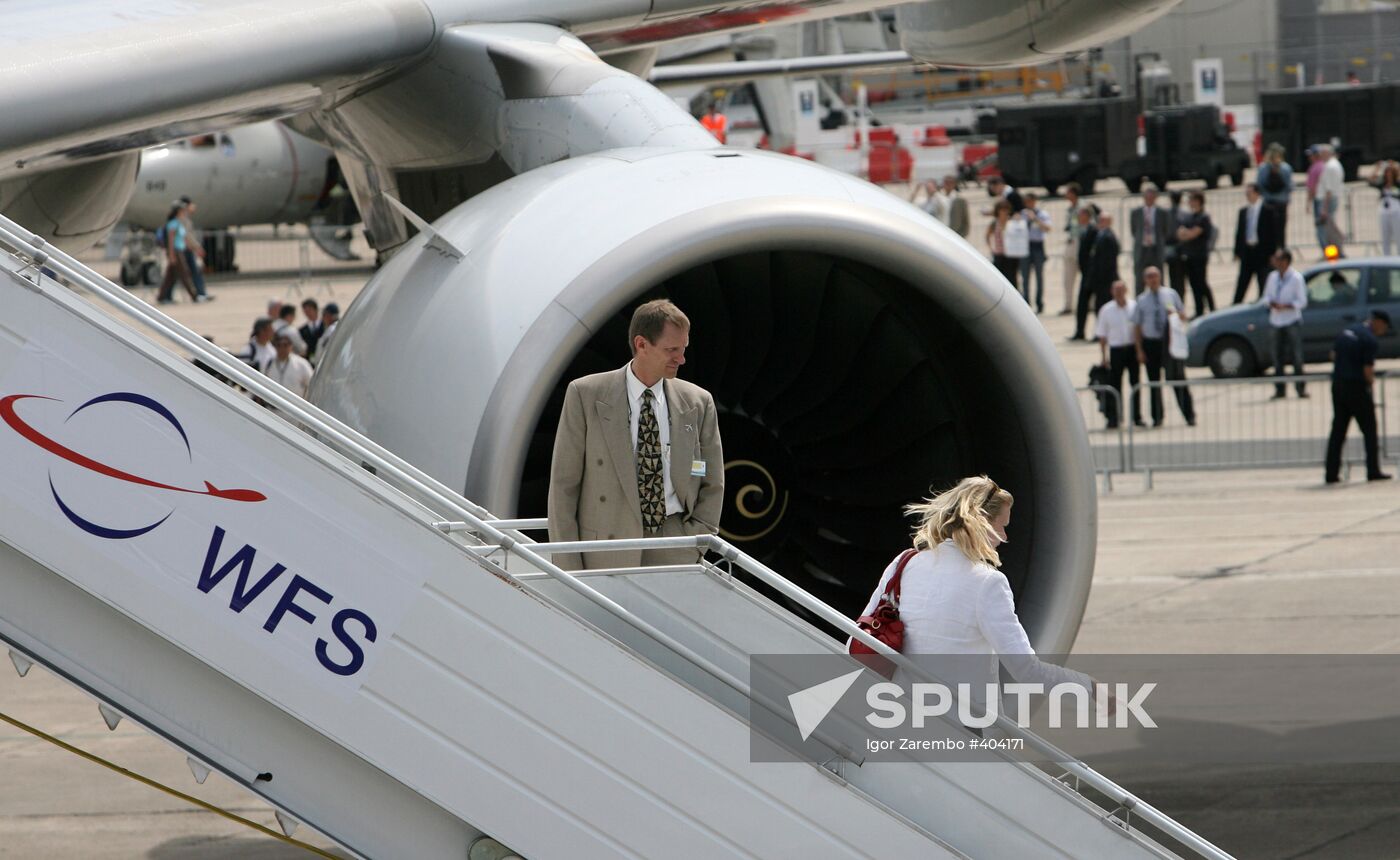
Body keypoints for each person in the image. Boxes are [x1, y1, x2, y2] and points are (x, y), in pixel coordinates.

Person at [855, 476, 1099, 722]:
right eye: (1002, 526)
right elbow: (1026, 670)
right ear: (981, 524)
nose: (1004, 537)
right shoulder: (988, 583)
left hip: (896, 714)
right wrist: (1088, 688)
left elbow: (860, 635)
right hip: (961, 726)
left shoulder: (904, 562)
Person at [548, 299, 724, 571]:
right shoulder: (585, 394)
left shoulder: (699, 402)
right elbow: (563, 487)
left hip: (675, 551)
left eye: (683, 348)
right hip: (605, 553)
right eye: (671, 350)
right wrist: (567, 566)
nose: (682, 359)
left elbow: (712, 482)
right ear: (642, 345)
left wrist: (695, 542)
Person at [1325, 310, 1393, 483]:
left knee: (1338, 430)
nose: (1383, 331)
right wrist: (1370, 384)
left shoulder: (1347, 331)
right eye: (1384, 327)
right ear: (1377, 322)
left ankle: (1331, 473)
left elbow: (1333, 355)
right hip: (1356, 387)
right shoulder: (1369, 340)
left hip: (1338, 385)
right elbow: (1367, 370)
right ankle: (1373, 470)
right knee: (1370, 430)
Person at [1132, 266, 1195, 427]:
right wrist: (1139, 349)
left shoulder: (1170, 294)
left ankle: (1189, 415)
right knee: (1154, 382)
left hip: (1170, 341)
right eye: (1149, 277)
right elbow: (1137, 326)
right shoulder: (1141, 300)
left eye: (1155, 276)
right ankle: (1157, 417)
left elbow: (1183, 316)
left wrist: (1174, 314)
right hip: (1151, 343)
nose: (1153, 280)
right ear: (1145, 280)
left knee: (1177, 378)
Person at [1262, 249, 1308, 399]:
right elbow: (1266, 297)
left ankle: (1300, 388)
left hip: (1291, 320)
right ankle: (1280, 389)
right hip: (1276, 321)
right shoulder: (1273, 277)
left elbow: (1302, 301)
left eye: (1278, 259)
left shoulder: (1296, 278)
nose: (1275, 262)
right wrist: (1272, 304)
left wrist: (1286, 306)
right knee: (1276, 357)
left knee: (1297, 356)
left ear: (1286, 261)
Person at [1097, 280, 1143, 428]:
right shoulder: (1106, 310)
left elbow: (1139, 330)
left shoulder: (1134, 306)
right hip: (1116, 350)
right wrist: (1104, 357)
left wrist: (1139, 350)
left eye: (1121, 289)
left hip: (1132, 349)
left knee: (1135, 384)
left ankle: (1137, 417)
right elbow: (1102, 336)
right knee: (1115, 386)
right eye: (1116, 290)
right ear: (1112, 292)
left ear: (1126, 290)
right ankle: (1114, 417)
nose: (1119, 293)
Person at [1233, 183, 1280, 303]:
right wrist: (1237, 251)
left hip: (1262, 252)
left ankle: (1263, 303)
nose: (1248, 196)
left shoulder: (1268, 210)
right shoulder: (1243, 211)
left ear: (1257, 193)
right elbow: (1239, 233)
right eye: (1246, 194)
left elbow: (1274, 233)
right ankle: (1236, 304)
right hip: (1248, 251)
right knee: (1242, 281)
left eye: (1250, 193)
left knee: (1263, 281)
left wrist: (1273, 253)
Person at [1175, 191, 1215, 316]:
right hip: (1189, 255)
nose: (1190, 202)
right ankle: (1199, 310)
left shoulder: (1203, 217)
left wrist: (1188, 233)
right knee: (1193, 284)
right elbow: (1180, 234)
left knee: (1201, 283)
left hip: (1200, 255)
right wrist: (1188, 233)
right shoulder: (1189, 217)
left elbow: (1194, 233)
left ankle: (1212, 307)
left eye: (1192, 200)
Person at [1060, 182, 1095, 316]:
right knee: (1068, 277)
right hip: (1071, 243)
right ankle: (1068, 304)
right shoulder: (1070, 209)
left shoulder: (1084, 207)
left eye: (1068, 192)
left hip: (1082, 243)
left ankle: (1090, 304)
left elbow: (1090, 226)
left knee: (1086, 275)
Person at [155, 201, 199, 304]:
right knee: (184, 274)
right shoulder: (173, 224)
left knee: (170, 277)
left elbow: (183, 238)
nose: (184, 212)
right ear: (178, 212)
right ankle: (194, 296)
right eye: (182, 210)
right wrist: (171, 255)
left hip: (179, 250)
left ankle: (162, 297)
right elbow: (171, 240)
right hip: (176, 252)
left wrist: (192, 248)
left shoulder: (179, 223)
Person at [1130, 183, 1168, 294]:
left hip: (1156, 249)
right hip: (1142, 249)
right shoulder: (1136, 212)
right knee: (1139, 281)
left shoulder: (1162, 212)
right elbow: (1134, 230)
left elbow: (1165, 230)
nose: (1149, 199)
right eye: (1147, 196)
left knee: (1158, 279)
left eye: (1152, 196)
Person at [1069, 207, 1100, 341]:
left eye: (1081, 215)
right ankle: (1080, 331)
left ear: (1087, 216)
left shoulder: (1094, 231)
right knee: (1082, 304)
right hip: (1085, 274)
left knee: (1097, 305)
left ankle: (1098, 333)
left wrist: (1091, 272)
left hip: (1092, 274)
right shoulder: (1083, 231)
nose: (1079, 219)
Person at [1017, 193, 1051, 313]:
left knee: (1039, 276)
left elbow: (1047, 228)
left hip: (1037, 246)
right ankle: (1026, 301)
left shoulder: (1042, 214)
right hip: (1025, 246)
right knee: (1025, 276)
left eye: (1029, 201)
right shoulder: (1022, 214)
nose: (1027, 204)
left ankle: (1039, 302)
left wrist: (1035, 219)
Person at [1256, 143, 1294, 241]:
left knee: (1268, 231)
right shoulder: (1286, 168)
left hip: (1268, 202)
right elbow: (1290, 187)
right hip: (1282, 203)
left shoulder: (1262, 168)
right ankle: (1280, 250)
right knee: (1281, 231)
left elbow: (1259, 185)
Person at [178, 195, 212, 302]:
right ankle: (200, 293)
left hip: (184, 249)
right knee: (194, 272)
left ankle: (200, 293)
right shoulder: (182, 219)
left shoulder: (184, 218)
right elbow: (187, 236)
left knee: (184, 273)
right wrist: (197, 247)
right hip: (185, 249)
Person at [1316, 144, 1346, 257]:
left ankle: (1336, 252)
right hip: (1333, 199)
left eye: (1322, 153)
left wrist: (1324, 208)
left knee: (1329, 230)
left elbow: (1328, 190)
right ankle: (1337, 250)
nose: (1320, 156)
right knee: (1331, 226)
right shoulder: (1336, 164)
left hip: (1328, 200)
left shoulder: (1329, 166)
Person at [263, 332, 314, 398]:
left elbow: (311, 384)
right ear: (275, 347)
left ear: (291, 346)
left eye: (285, 345)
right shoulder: (269, 363)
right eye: (279, 345)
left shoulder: (301, 363)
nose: (282, 348)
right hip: (272, 406)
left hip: (295, 405)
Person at [1087, 212, 1120, 314]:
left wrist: (1101, 276)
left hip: (1106, 279)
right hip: (1100, 279)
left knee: (1104, 304)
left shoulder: (1108, 237)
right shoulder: (1100, 235)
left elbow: (1108, 260)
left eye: (1103, 220)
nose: (1100, 223)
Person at [986, 200, 1022, 293]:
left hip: (1011, 254)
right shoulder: (994, 223)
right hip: (999, 254)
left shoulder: (1013, 222)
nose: (1004, 212)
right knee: (1000, 278)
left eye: (1006, 210)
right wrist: (991, 248)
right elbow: (987, 236)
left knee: (1012, 278)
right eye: (1002, 210)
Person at [1163, 189, 1189, 299]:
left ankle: (1178, 300)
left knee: (1176, 278)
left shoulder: (1182, 214)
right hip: (1175, 248)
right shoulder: (1184, 214)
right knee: (1178, 279)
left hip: (1178, 248)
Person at [1372, 160, 1400, 255]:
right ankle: (1386, 256)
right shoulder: (1382, 184)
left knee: (1398, 235)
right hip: (1384, 212)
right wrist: (1377, 168)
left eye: (1390, 173)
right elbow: (1371, 181)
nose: (1389, 175)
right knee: (1385, 237)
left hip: (1396, 212)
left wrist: (1396, 166)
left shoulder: (1397, 184)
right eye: (1387, 173)